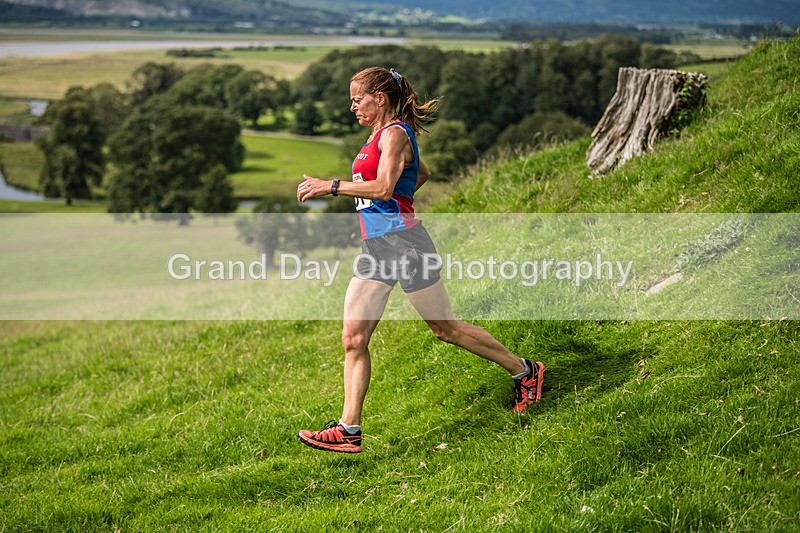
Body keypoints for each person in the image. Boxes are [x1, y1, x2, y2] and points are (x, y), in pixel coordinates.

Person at [295, 66, 544, 454]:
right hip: (378, 248)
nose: (352, 107)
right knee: (353, 338)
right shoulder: (378, 136)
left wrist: (332, 186)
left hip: (406, 244)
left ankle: (525, 371)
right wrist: (397, 200)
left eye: (357, 100)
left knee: (445, 329)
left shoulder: (394, 134)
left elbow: (384, 187)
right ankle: (348, 430)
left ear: (379, 98)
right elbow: (420, 172)